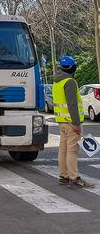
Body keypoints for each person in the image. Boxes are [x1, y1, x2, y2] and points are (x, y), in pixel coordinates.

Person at [53, 55, 93, 188]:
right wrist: (76, 123)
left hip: (62, 121)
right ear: (72, 68)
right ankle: (74, 177)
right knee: (72, 150)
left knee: (63, 149)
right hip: (71, 122)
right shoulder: (70, 82)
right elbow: (72, 104)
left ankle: (64, 175)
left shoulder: (57, 82)